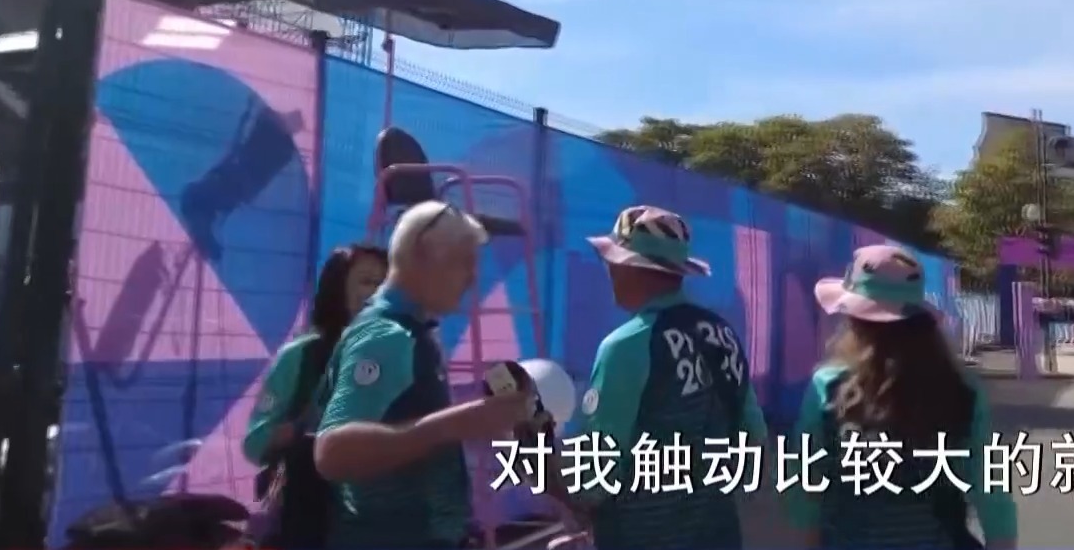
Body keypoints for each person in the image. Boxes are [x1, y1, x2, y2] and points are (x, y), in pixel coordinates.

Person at [312, 201, 535, 549]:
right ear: (421, 254)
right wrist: (455, 425)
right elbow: (333, 452)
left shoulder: (412, 331)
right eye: (464, 261)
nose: (473, 277)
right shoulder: (387, 336)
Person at [562, 205, 768, 550]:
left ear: (632, 268)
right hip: (718, 533)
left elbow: (597, 473)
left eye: (612, 261)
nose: (609, 270)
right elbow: (754, 436)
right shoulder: (722, 334)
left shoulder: (626, 346)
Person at [785, 246, 1018, 550]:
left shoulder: (827, 387)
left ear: (855, 320)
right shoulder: (962, 390)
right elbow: (991, 490)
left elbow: (806, 484)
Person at [244, 243, 387, 547]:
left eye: (384, 284)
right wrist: (294, 434)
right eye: (366, 282)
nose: (376, 293)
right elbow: (255, 441)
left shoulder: (404, 355)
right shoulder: (301, 356)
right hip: (312, 515)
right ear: (337, 289)